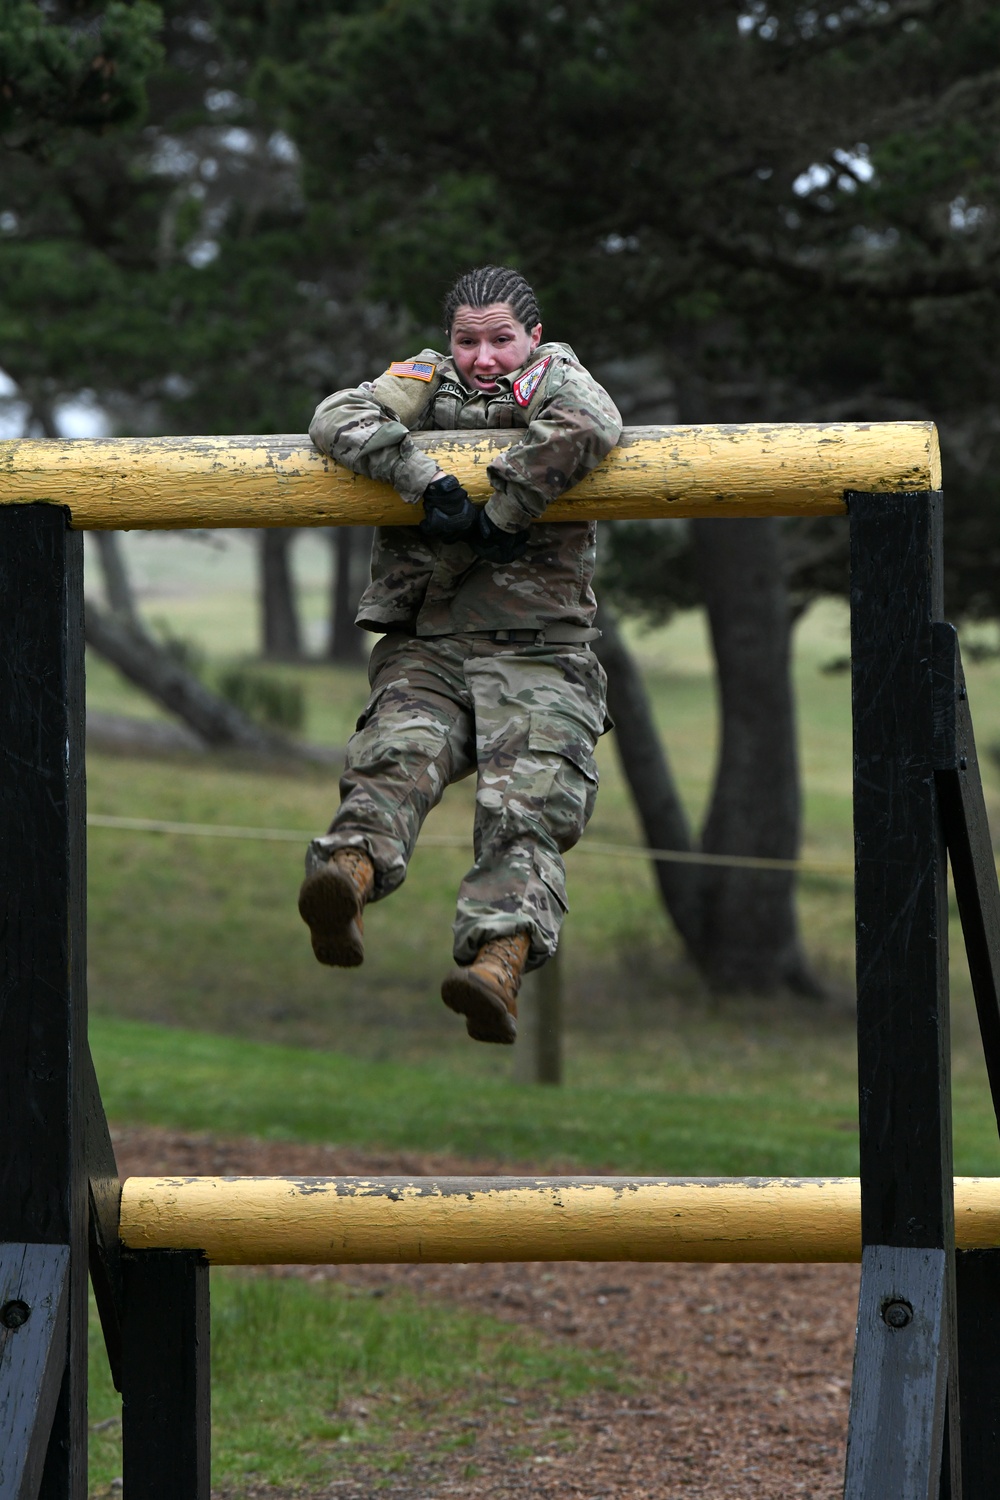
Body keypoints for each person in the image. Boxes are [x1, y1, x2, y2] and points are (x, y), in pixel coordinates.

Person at [299, 265, 622, 1044]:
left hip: (541, 646)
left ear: (532, 339)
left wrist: (505, 507)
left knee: (525, 808)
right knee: (395, 756)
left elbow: (589, 425)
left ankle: (494, 966)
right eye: (467, 340)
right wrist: (420, 475)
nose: (482, 358)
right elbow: (336, 416)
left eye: (500, 340)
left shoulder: (555, 379)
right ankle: (346, 878)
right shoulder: (421, 379)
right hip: (432, 637)